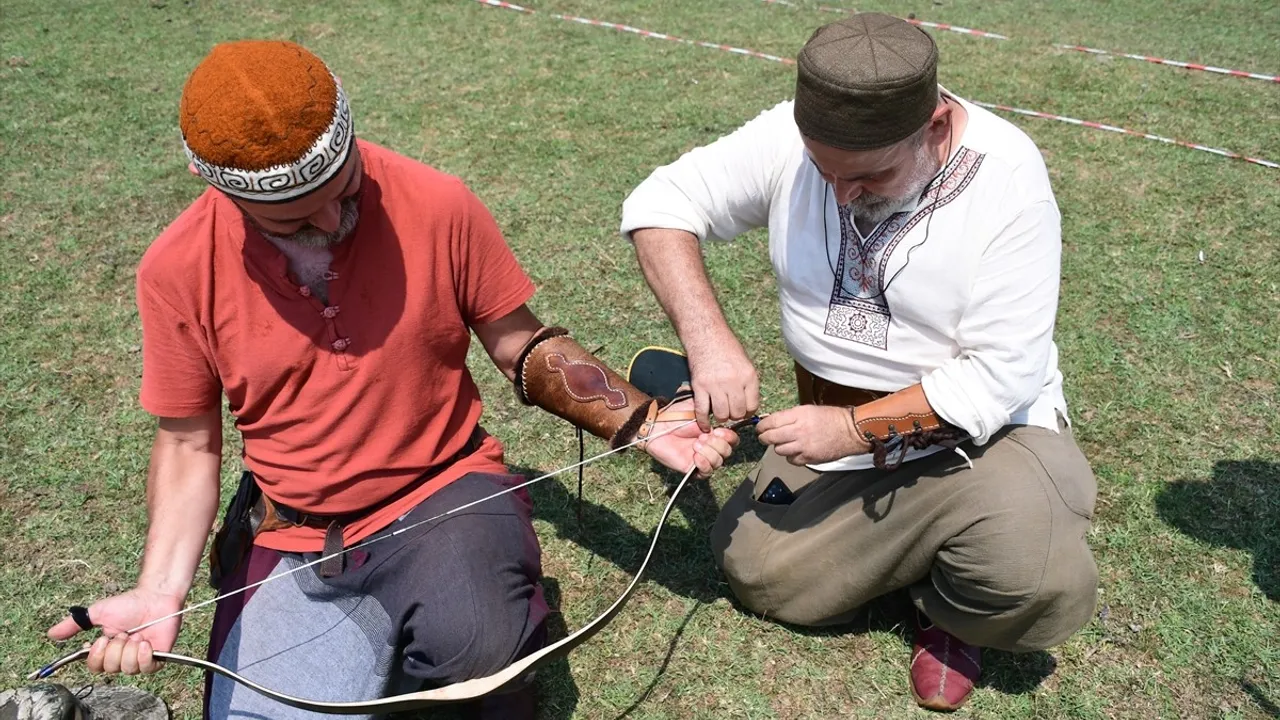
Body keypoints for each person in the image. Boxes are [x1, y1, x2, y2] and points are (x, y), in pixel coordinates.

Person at [42, 39, 738, 720]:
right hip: (294, 532)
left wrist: (641, 421)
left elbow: (516, 342)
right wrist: (160, 590)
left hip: (443, 489)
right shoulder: (176, 269)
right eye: (291, 216)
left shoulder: (436, 201)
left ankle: (481, 595)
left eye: (340, 189)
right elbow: (190, 444)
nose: (327, 219)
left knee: (479, 652)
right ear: (218, 188)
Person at [620, 12, 1099, 711]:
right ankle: (917, 554)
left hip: (981, 438)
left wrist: (849, 433)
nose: (842, 194)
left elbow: (1000, 376)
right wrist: (709, 340)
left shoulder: (1009, 178)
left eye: (870, 175)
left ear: (934, 129)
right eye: (824, 171)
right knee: (760, 575)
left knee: (1034, 572)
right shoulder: (791, 135)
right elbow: (661, 202)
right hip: (828, 416)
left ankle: (948, 610)